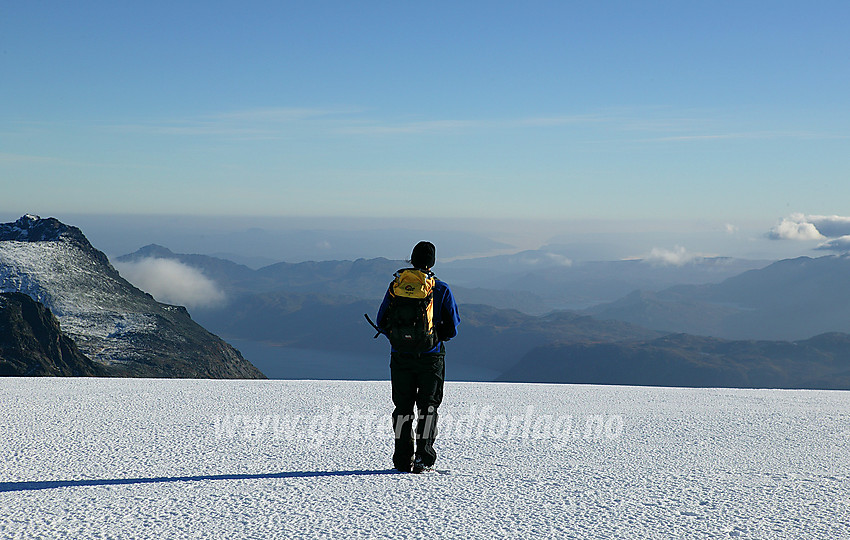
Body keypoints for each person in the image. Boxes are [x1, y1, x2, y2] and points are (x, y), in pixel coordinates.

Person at [376, 241, 460, 473]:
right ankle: (423, 458)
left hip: (401, 357)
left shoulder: (397, 287)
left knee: (402, 408)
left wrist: (401, 339)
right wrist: (434, 336)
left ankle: (402, 460)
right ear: (432, 262)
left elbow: (381, 320)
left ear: (412, 260)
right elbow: (452, 328)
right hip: (430, 358)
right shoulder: (440, 288)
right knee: (428, 408)